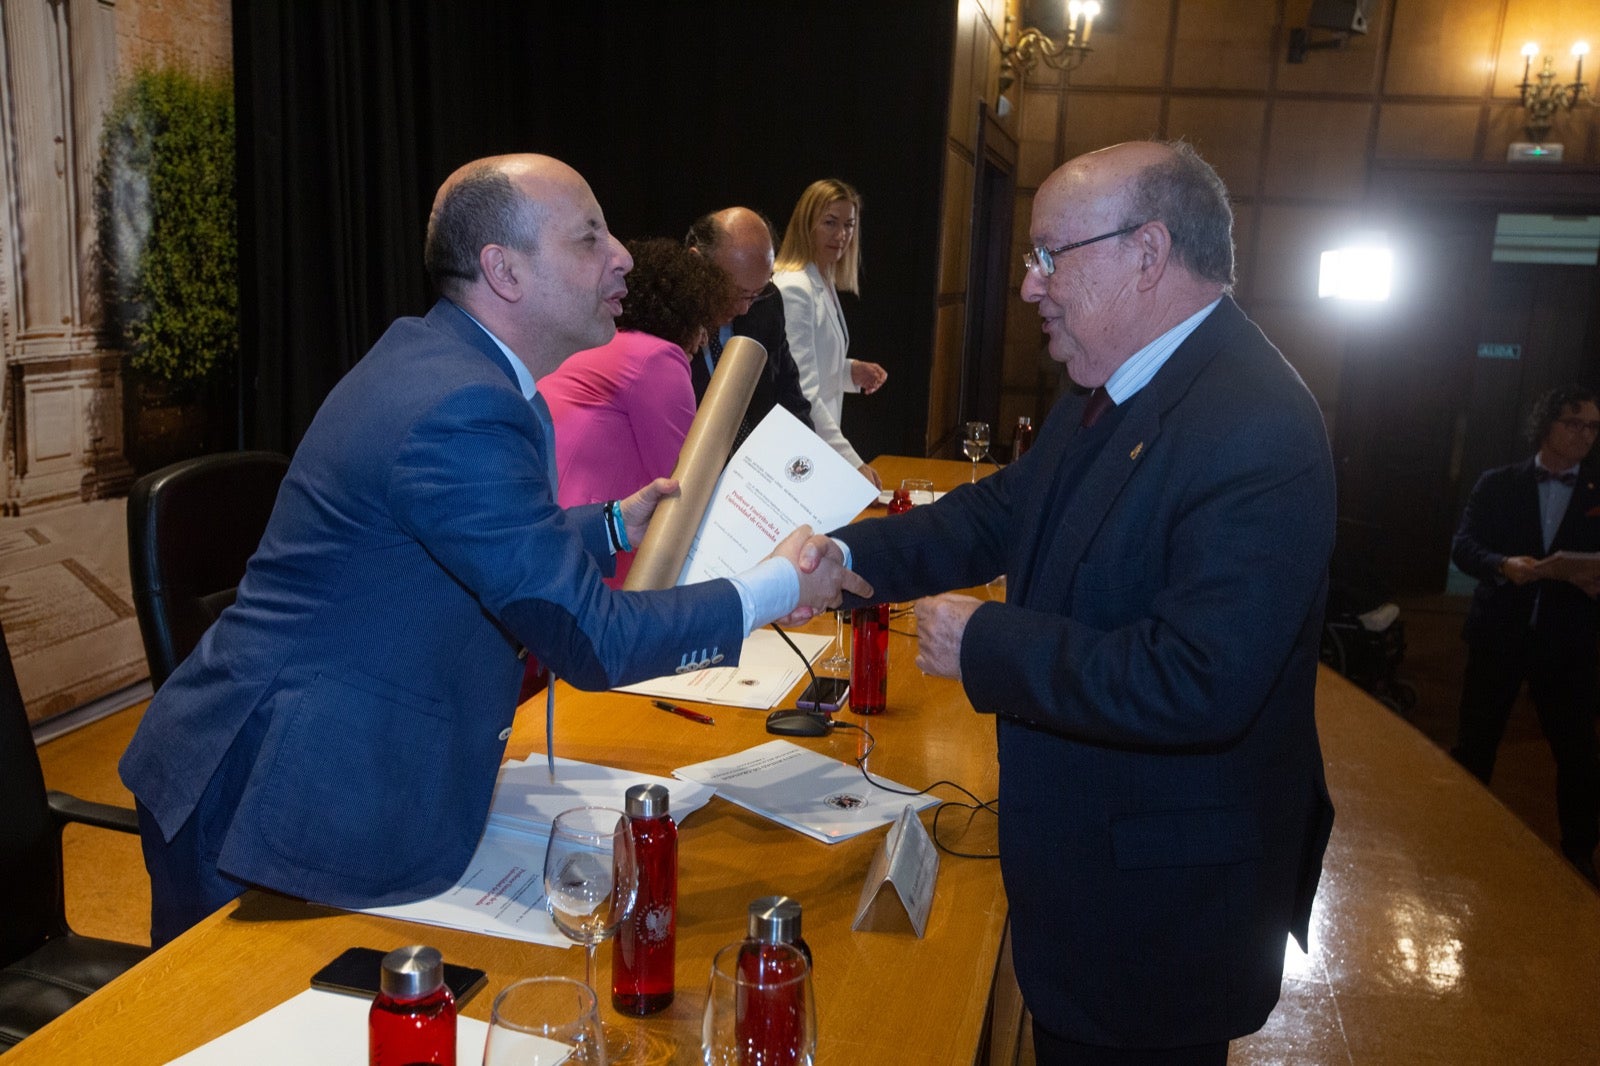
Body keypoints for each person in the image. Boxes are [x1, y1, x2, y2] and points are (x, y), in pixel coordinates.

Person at [119, 154, 868, 946]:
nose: (621, 255)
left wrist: (610, 525)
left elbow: (464, 545)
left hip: (329, 772)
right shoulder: (460, 403)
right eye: (588, 238)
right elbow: (592, 637)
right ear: (503, 271)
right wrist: (776, 588)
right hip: (267, 798)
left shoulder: (461, 368)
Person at [825, 141, 1336, 1063]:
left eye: (1049, 255)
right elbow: (1001, 513)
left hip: (1160, 918)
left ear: (1147, 253)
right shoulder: (1123, 380)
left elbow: (1198, 681)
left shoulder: (1256, 423)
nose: (1031, 287)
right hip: (1097, 880)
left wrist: (987, 642)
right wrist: (836, 561)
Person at [1450, 385, 1600, 885]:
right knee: (1476, 742)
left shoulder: (1597, 493)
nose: (1585, 435)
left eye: (1592, 427)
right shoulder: (1499, 484)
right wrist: (1501, 565)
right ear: (1546, 427)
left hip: (1569, 643)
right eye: (1574, 424)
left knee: (1577, 752)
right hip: (1500, 633)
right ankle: (1458, 836)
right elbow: (1464, 546)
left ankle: (1579, 852)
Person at [541, 237, 729, 584]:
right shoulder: (655, 358)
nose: (703, 339)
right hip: (600, 548)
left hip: (557, 530)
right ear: (683, 316)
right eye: (703, 324)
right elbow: (685, 480)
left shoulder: (601, 345)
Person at [773, 179, 887, 488]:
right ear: (806, 224)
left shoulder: (820, 280)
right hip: (800, 451)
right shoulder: (796, 286)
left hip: (816, 446)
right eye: (830, 223)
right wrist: (853, 462)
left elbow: (812, 363)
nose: (841, 235)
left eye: (849, 225)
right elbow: (801, 388)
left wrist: (850, 372)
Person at [684, 207, 814, 455]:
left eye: (755, 294)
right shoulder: (664, 326)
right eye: (737, 293)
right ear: (697, 264)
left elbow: (790, 400)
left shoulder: (766, 306)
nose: (744, 308)